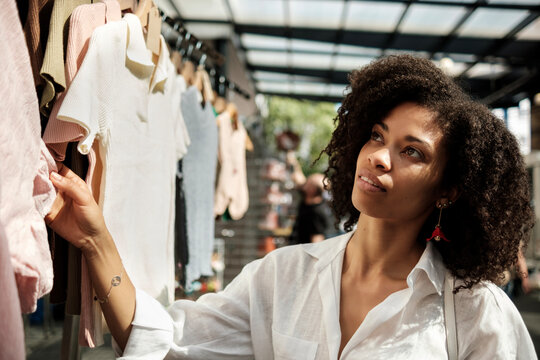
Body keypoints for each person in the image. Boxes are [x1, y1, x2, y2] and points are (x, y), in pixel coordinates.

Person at [45, 55, 537, 359]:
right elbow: (167, 342)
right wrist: (95, 239)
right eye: (376, 135)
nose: (379, 157)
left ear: (448, 190)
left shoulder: (473, 311)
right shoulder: (282, 277)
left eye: (413, 152)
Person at [287, 151, 335, 244]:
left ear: (311, 190)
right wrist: (292, 160)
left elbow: (317, 239)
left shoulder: (317, 212)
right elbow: (298, 178)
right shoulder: (308, 199)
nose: (305, 182)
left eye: (309, 182)